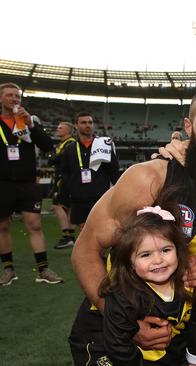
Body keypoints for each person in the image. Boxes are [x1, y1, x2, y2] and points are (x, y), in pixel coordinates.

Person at [70, 87, 196, 366]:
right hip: (115, 319)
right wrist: (125, 323)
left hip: (176, 315)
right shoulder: (149, 178)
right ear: (188, 127)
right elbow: (85, 249)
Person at [89, 193, 196, 366]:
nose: (158, 260)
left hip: (164, 351)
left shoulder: (189, 282)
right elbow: (117, 346)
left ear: (178, 250)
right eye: (145, 254)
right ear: (129, 262)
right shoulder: (123, 295)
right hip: (115, 352)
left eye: (166, 250)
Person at [0, 82, 63, 285]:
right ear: (1, 99)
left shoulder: (28, 121)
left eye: (17, 96)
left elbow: (47, 146)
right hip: (2, 183)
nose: (14, 99)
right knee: (2, 226)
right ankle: (8, 269)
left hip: (27, 182)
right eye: (9, 95)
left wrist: (31, 125)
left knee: (35, 225)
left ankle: (43, 269)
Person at [60, 112, 120, 232]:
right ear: (76, 125)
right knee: (84, 231)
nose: (88, 125)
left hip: (100, 197)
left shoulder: (103, 145)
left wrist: (118, 191)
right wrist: (67, 194)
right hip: (79, 199)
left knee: (103, 230)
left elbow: (114, 170)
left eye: (90, 122)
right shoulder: (70, 149)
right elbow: (65, 173)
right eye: (83, 122)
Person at [48, 121, 77, 249]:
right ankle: (70, 236)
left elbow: (54, 160)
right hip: (66, 179)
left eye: (61, 128)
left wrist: (54, 158)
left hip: (64, 179)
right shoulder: (64, 144)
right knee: (68, 207)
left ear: (68, 131)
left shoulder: (69, 143)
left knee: (56, 205)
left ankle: (67, 235)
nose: (57, 129)